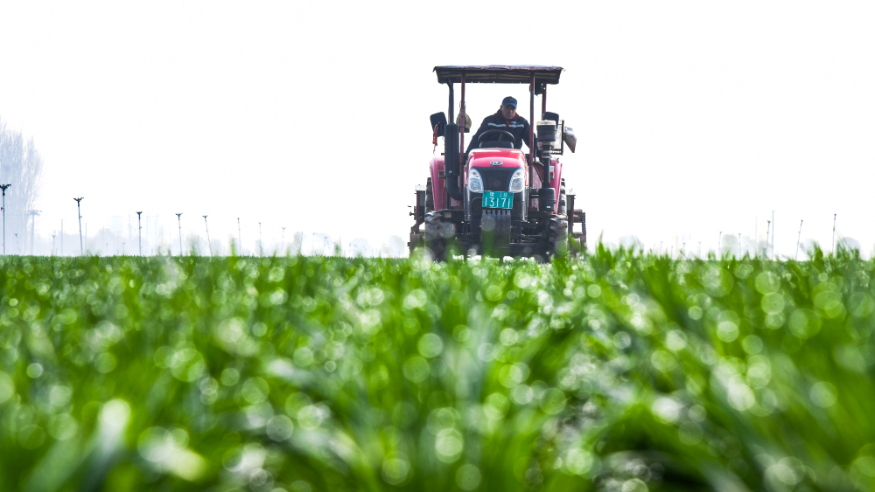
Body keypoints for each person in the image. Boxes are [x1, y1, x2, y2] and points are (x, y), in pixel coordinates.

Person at [466, 96, 536, 153]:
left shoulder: (521, 123)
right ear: (501, 107)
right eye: (507, 108)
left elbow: (531, 139)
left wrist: (539, 152)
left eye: (512, 108)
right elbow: (478, 138)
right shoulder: (489, 121)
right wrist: (468, 154)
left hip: (512, 156)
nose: (510, 111)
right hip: (490, 155)